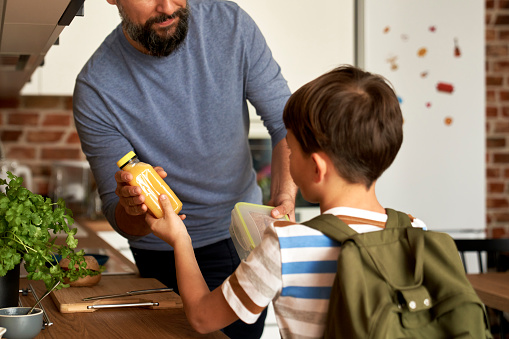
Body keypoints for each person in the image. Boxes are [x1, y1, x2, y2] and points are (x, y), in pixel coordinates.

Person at [145, 65, 427, 338]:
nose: (288, 160)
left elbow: (203, 318)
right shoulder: (414, 230)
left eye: (291, 150)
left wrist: (180, 240)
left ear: (317, 167)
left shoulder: (286, 245)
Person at [72, 0, 297, 338]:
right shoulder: (96, 88)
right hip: (160, 256)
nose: (167, 6)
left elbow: (287, 124)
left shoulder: (230, 25)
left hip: (238, 240)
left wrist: (284, 199)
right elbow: (122, 218)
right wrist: (133, 206)